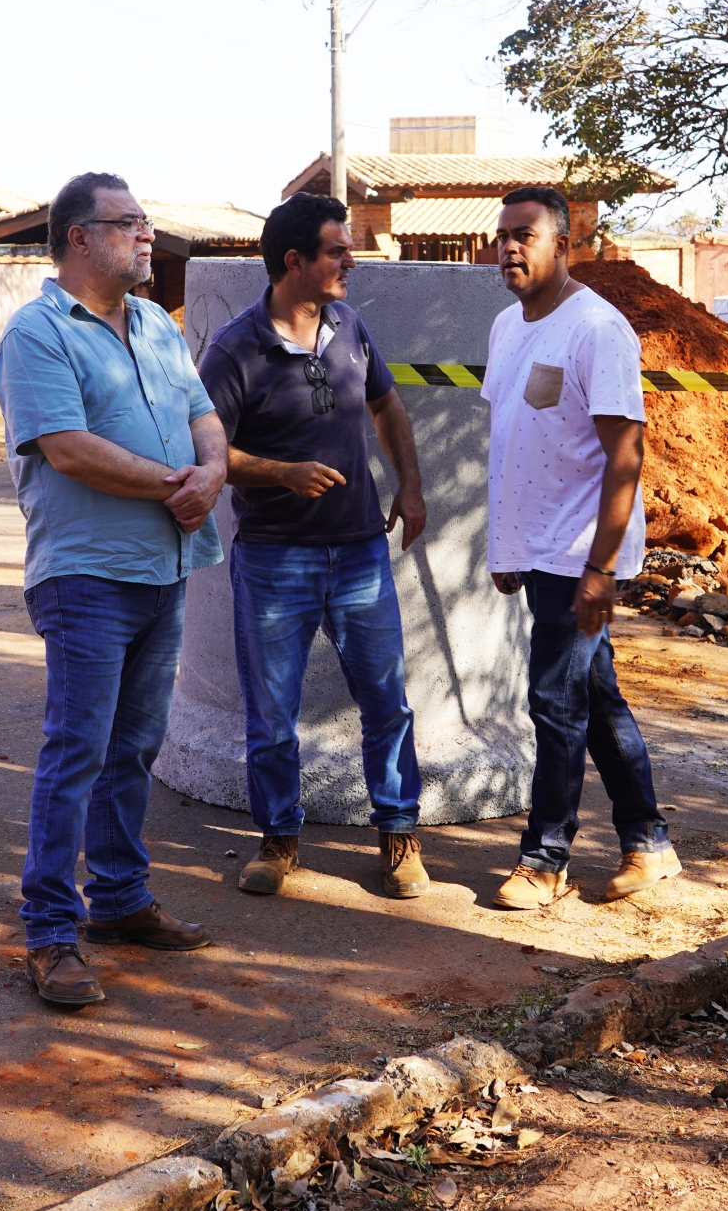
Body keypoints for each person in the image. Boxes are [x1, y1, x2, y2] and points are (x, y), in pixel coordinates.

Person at [0, 171, 228, 1007]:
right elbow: (66, 446)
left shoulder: (158, 326)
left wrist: (213, 469)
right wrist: (179, 483)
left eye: (146, 222)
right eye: (129, 223)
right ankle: (50, 932)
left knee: (133, 748)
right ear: (80, 237)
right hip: (86, 575)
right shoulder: (37, 333)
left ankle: (120, 898)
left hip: (164, 567)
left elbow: (204, 414)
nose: (147, 235)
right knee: (77, 752)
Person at [197, 193, 430, 900]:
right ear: (294, 261)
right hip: (275, 559)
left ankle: (398, 833)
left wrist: (410, 485)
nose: (352, 261)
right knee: (272, 716)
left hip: (360, 552)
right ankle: (278, 839)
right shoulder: (234, 350)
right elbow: (205, 453)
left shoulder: (349, 324)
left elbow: (387, 404)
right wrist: (282, 474)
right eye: (338, 250)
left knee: (387, 703)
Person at [479, 186, 679, 910]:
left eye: (525, 235)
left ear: (564, 245)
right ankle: (649, 842)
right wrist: (505, 545)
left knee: (555, 700)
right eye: (502, 235)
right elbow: (512, 437)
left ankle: (545, 857)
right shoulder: (506, 325)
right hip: (536, 550)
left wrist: (601, 567)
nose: (509, 247)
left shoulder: (598, 329)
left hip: (578, 551)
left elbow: (626, 456)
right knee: (593, 695)